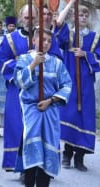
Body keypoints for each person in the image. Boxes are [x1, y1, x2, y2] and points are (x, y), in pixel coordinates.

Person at [0, 4, 62, 173]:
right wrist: (24, 64)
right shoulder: (10, 38)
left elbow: (56, 58)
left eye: (33, 17)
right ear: (21, 18)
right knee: (19, 127)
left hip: (42, 88)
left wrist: (44, 63)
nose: (30, 21)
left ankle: (42, 166)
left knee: (43, 128)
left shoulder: (46, 37)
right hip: (18, 89)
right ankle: (20, 166)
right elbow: (3, 60)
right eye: (27, 18)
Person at [14, 28, 72, 187]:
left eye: (48, 41)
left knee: (49, 147)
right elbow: (19, 82)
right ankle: (29, 182)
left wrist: (51, 100)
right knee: (33, 145)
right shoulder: (25, 59)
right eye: (42, 39)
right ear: (34, 40)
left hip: (50, 110)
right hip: (31, 108)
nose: (45, 43)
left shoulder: (57, 63)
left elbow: (66, 85)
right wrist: (33, 64)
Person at [54, 0, 100, 172]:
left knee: (85, 118)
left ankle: (80, 158)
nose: (82, 18)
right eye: (80, 15)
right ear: (74, 17)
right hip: (70, 82)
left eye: (85, 15)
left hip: (85, 85)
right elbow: (58, 25)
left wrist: (86, 55)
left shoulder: (95, 37)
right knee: (69, 115)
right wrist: (70, 3)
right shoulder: (68, 34)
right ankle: (67, 154)